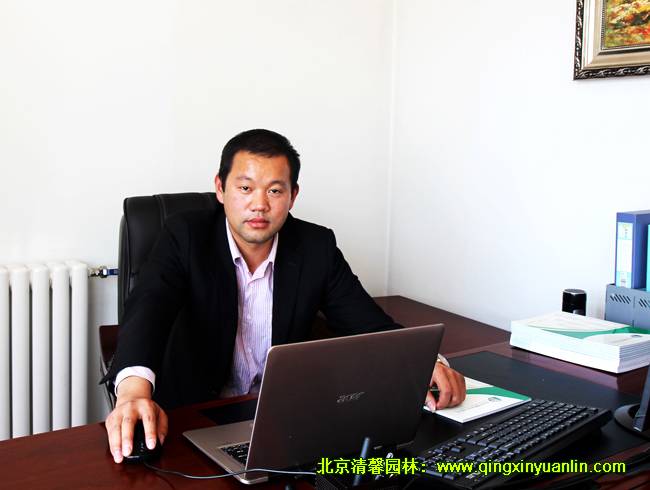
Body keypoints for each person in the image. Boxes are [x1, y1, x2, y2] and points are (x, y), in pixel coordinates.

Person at [103, 129, 466, 463]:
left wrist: (425, 364)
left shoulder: (316, 246)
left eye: (275, 191)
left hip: (283, 421)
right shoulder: (184, 236)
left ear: (293, 196)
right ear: (220, 188)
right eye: (245, 188)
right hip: (193, 419)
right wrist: (133, 393)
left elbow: (367, 322)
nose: (259, 204)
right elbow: (148, 310)